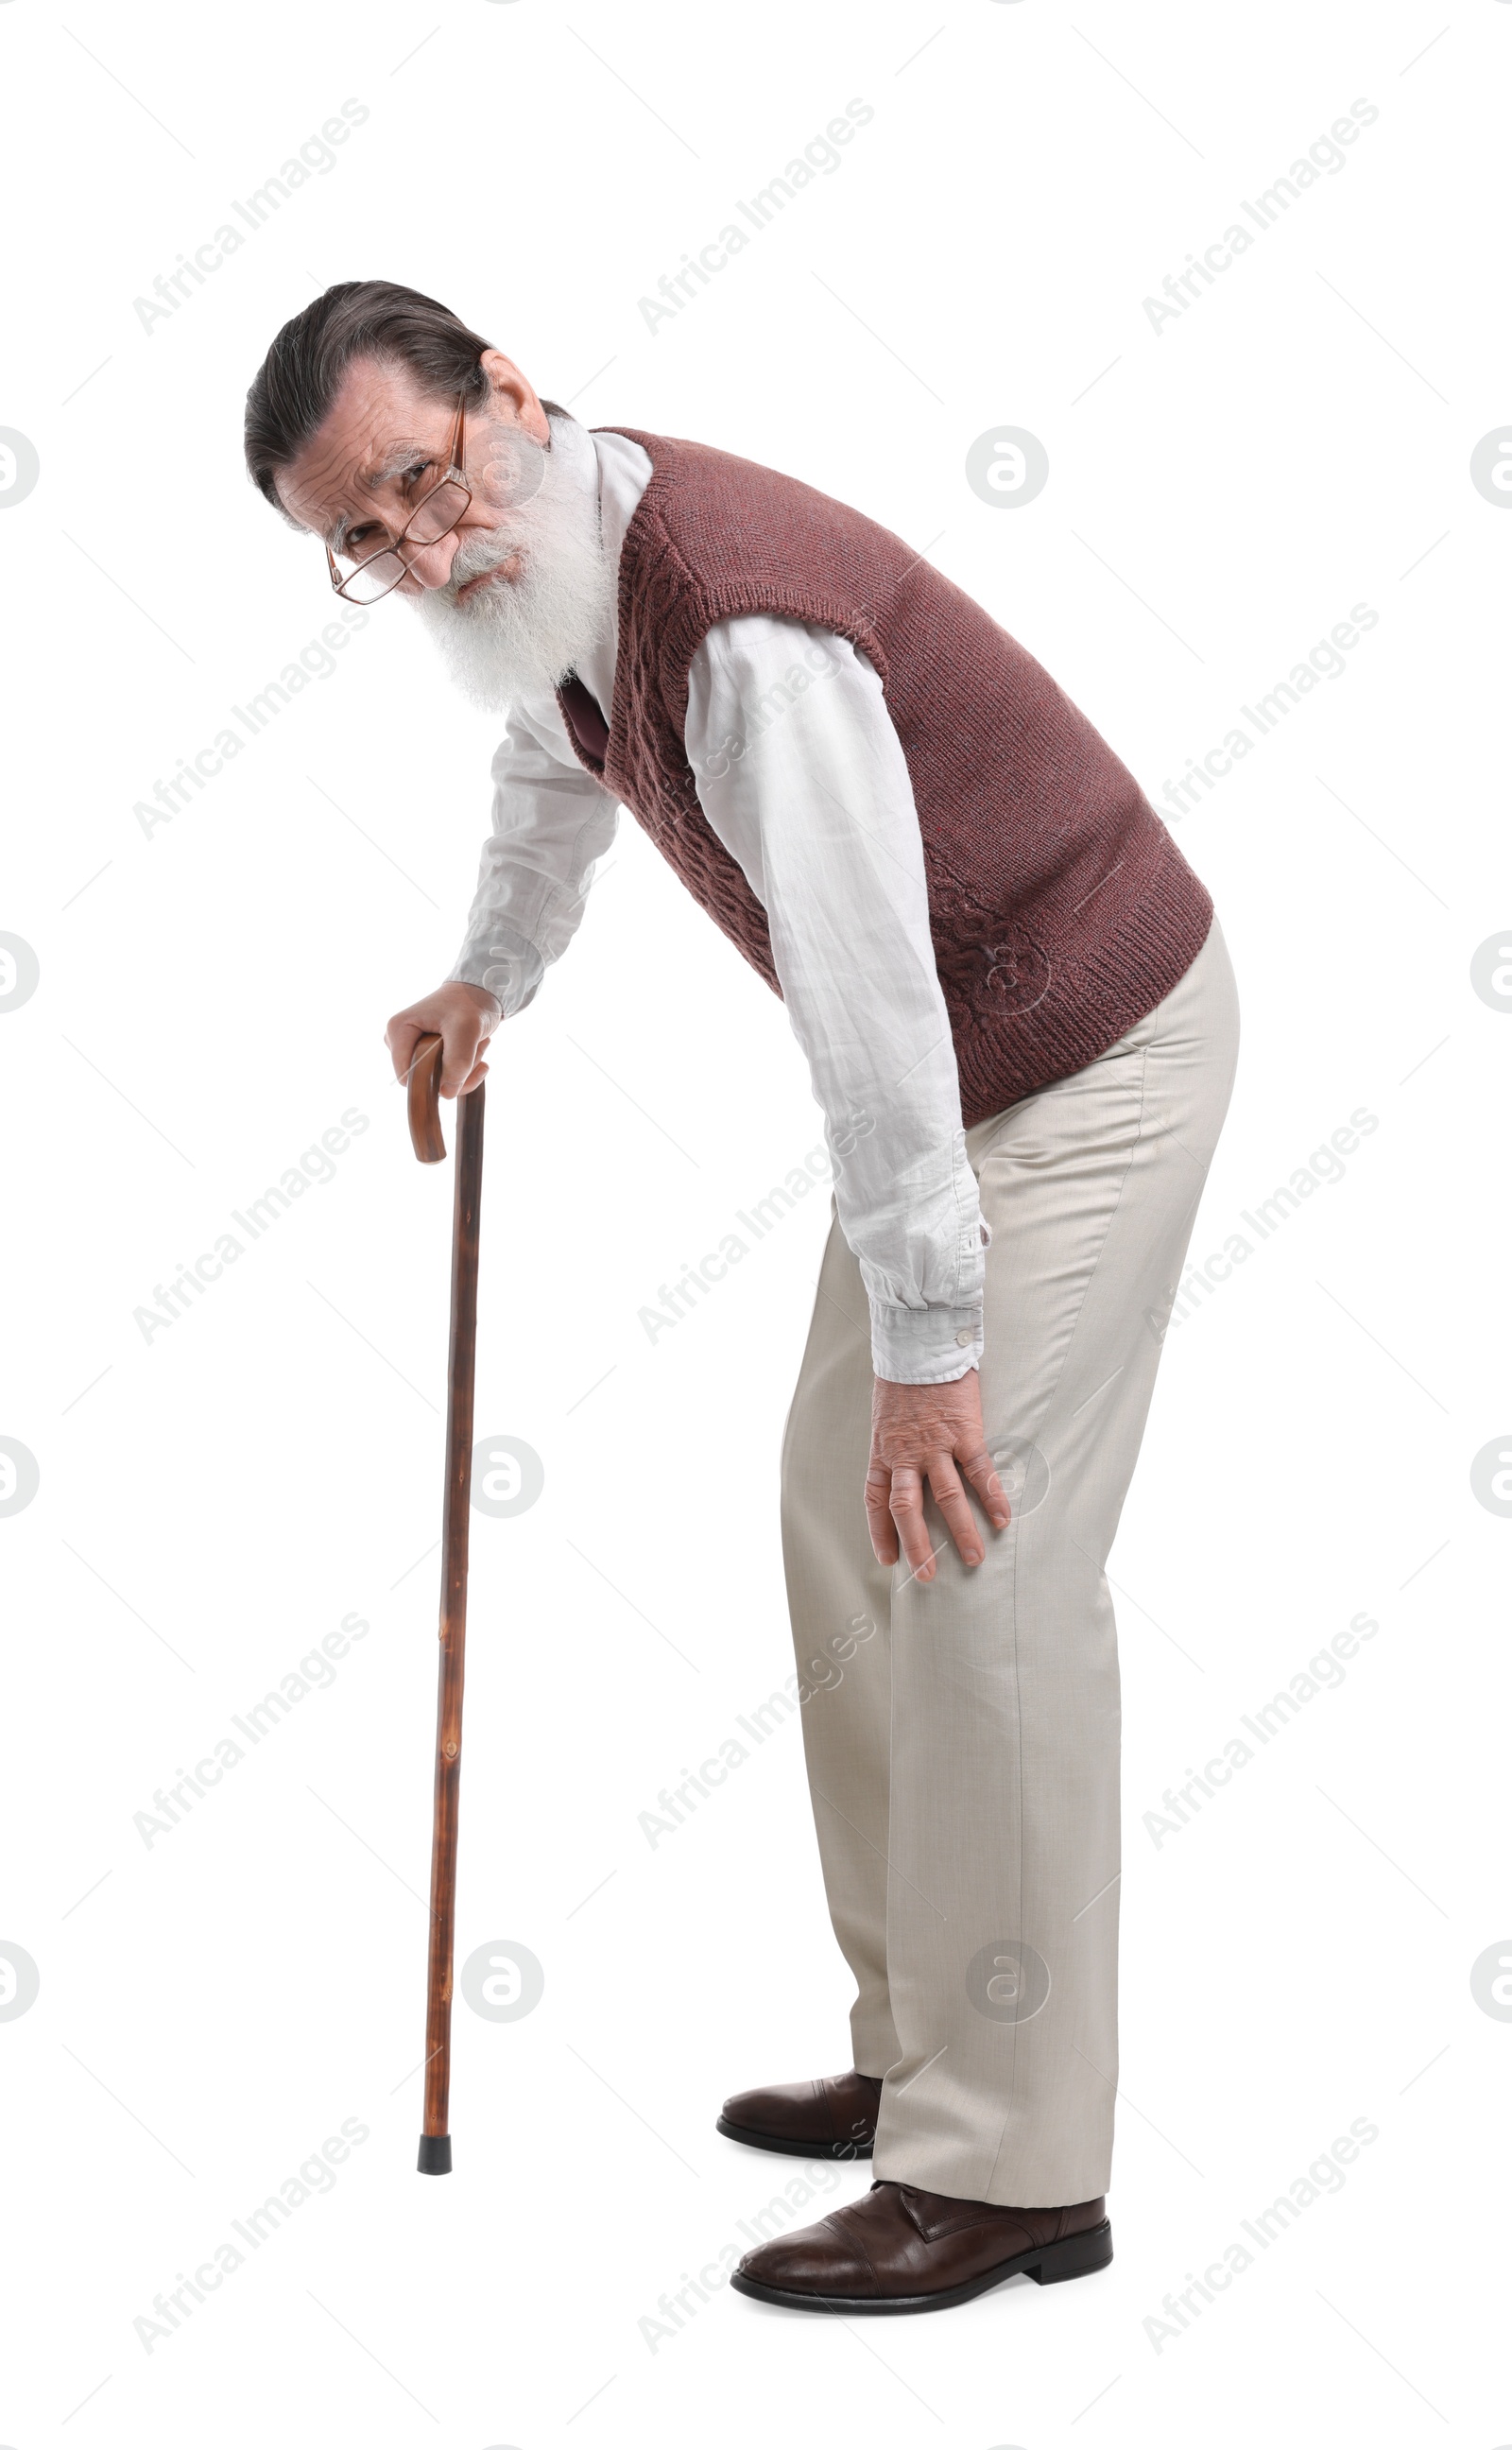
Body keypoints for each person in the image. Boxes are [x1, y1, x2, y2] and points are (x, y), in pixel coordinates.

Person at [245, 280, 1239, 2315]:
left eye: (422, 485)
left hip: (1079, 1045)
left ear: (505, 393)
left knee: (974, 1563)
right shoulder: (551, 570)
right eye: (360, 541)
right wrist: (483, 981)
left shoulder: (742, 625)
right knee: (832, 1503)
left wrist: (931, 1357)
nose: (418, 553)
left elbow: (872, 1003)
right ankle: (920, 2049)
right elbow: (554, 764)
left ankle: (1014, 2165)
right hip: (968, 1064)